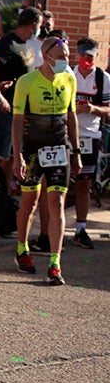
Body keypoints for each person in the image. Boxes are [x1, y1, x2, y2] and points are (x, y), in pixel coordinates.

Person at [11, 37, 80, 285]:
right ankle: (22, 248)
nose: (65, 61)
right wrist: (17, 153)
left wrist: (77, 150)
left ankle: (55, 263)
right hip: (32, 148)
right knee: (30, 202)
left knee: (57, 201)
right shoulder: (26, 81)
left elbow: (71, 115)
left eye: (67, 56)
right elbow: (17, 119)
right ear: (46, 55)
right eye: (61, 56)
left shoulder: (69, 78)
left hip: (59, 147)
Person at [0, 7, 43, 184]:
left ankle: (3, 194)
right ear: (32, 25)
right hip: (5, 107)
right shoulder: (10, 42)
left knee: (9, 156)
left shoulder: (24, 44)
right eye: (39, 26)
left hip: (18, 108)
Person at [70, 38, 110, 249]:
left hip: (89, 137)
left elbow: (108, 108)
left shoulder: (103, 78)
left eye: (91, 57)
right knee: (58, 184)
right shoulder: (68, 74)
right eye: (83, 56)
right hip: (67, 135)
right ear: (77, 55)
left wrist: (93, 109)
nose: (86, 60)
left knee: (84, 183)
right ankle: (50, 232)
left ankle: (80, 228)